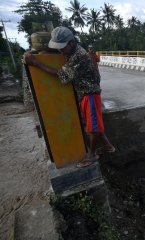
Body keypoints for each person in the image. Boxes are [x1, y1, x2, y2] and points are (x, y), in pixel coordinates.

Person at [23, 26, 115, 168]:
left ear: (71, 43)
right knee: (93, 123)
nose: (59, 50)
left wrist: (35, 62)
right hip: (84, 93)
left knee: (93, 127)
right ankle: (108, 146)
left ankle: (91, 155)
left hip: (91, 93)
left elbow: (62, 76)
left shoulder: (79, 56)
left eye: (62, 47)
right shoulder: (70, 50)